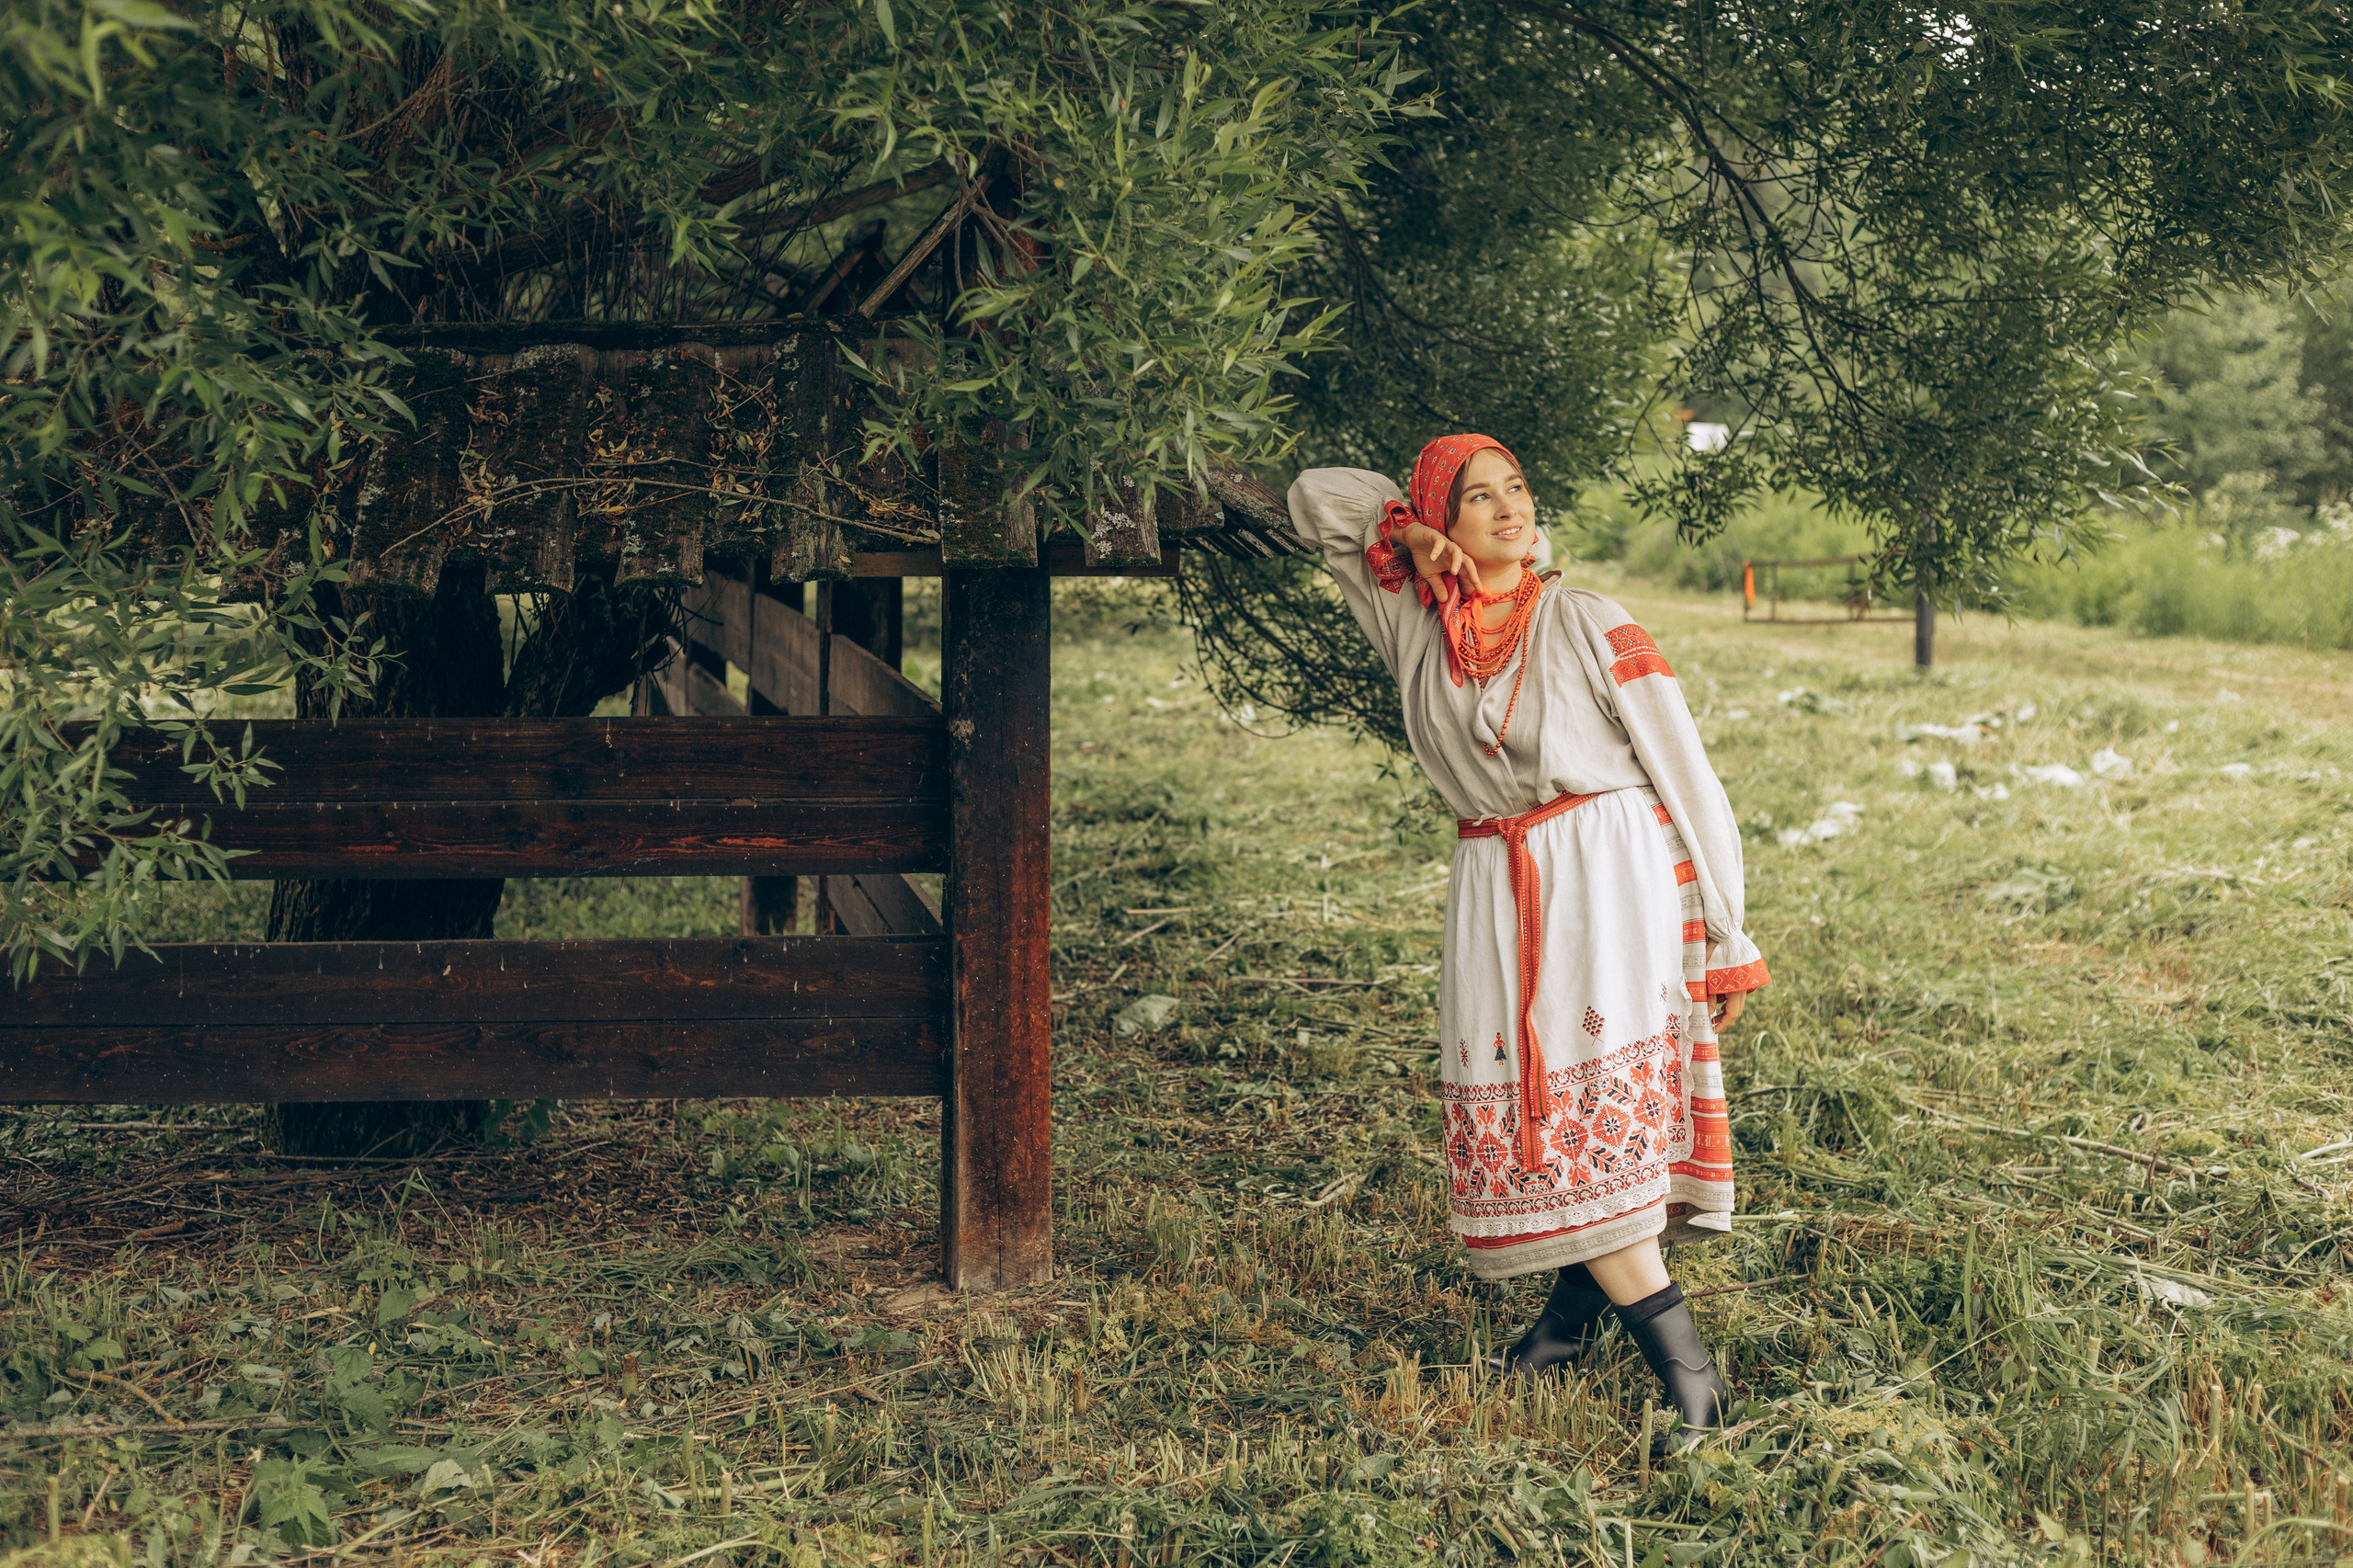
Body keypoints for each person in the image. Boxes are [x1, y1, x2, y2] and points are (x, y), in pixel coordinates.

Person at [1286, 437, 1769, 1449]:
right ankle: (1559, 1328)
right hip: (1494, 882)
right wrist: (1409, 535)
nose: (1506, 510)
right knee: (1533, 1106)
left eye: (1516, 489)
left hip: (1606, 874)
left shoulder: (1587, 618)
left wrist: (1725, 926)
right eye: (1475, 497)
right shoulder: (1413, 623)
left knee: (1585, 1099)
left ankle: (1690, 1371)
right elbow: (1318, 498)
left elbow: (1686, 768)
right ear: (1443, 521)